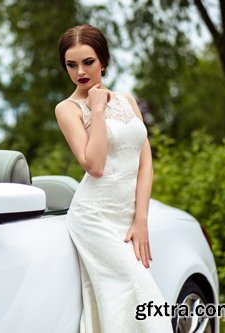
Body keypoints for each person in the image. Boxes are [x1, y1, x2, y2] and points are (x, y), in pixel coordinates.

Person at [55, 24, 173, 332]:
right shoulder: (67, 109)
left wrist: (141, 219)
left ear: (103, 61)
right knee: (137, 290)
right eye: (71, 64)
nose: (80, 71)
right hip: (93, 217)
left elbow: (145, 161)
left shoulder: (127, 100)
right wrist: (96, 109)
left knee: (121, 298)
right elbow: (94, 165)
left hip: (127, 216)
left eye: (88, 62)